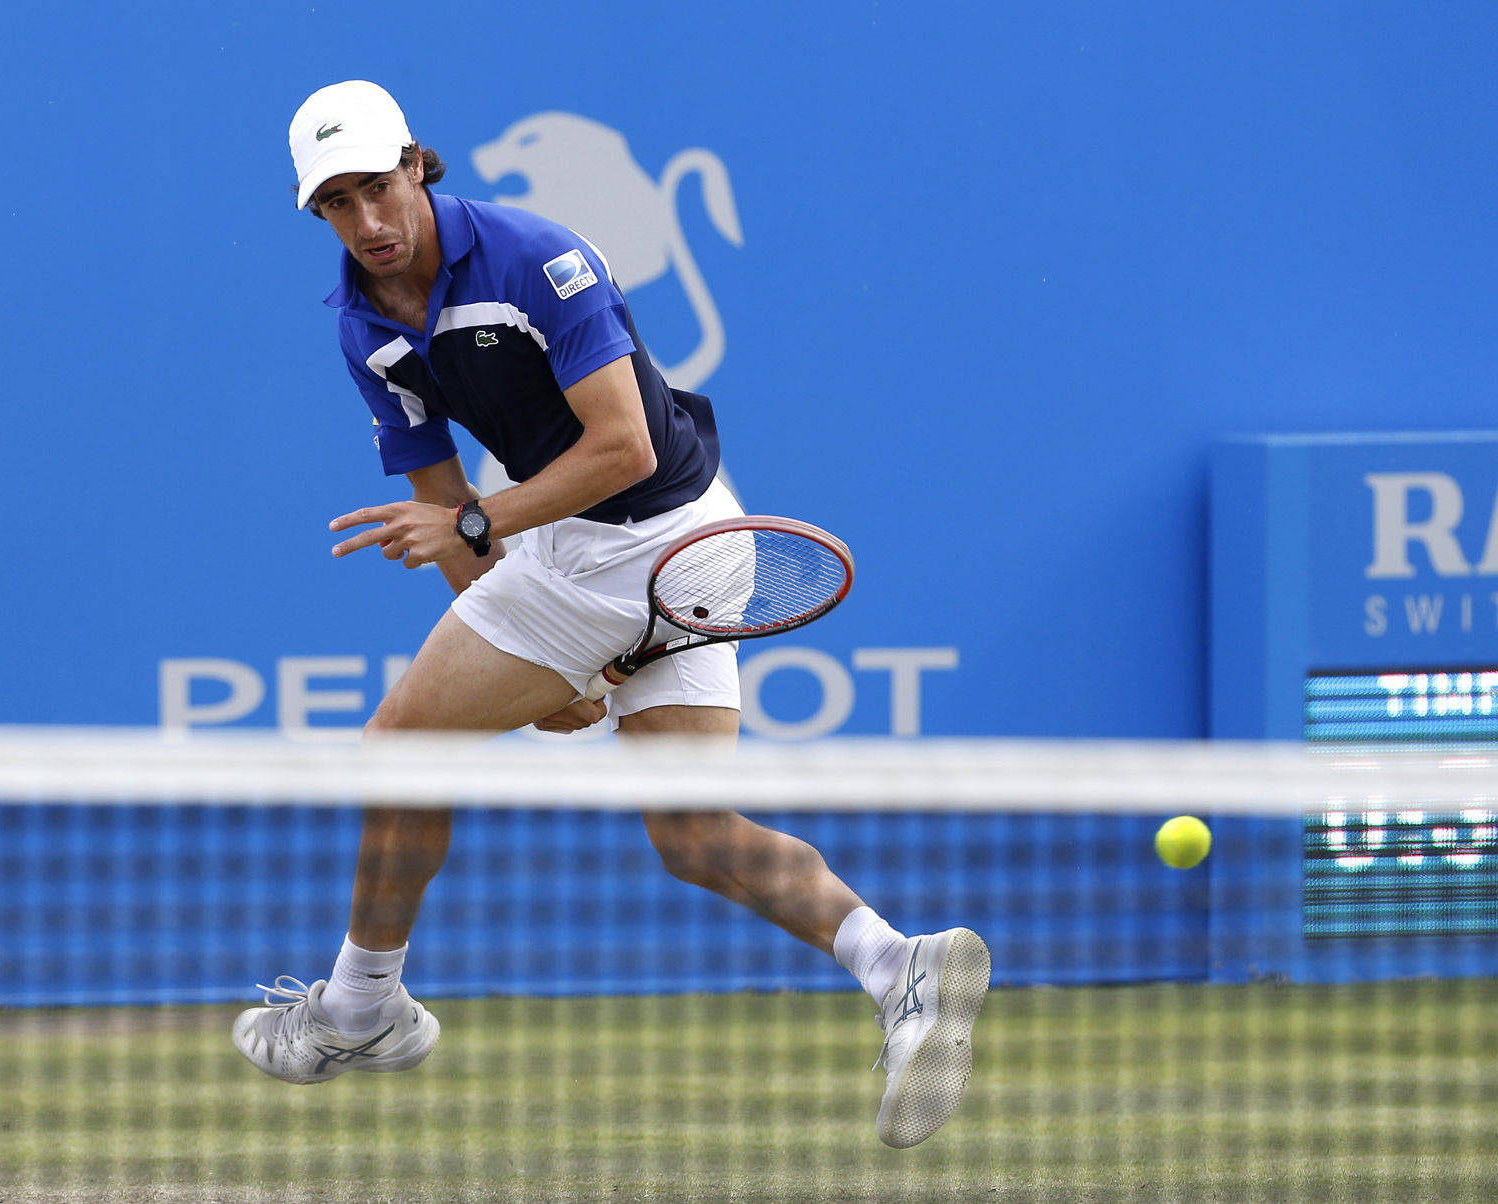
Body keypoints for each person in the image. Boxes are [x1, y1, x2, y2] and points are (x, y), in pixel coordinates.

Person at [231, 80, 988, 1149]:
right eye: (338, 204)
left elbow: (620, 448)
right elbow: (446, 508)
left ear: (416, 164)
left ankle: (361, 1011)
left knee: (397, 749)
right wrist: (531, 651)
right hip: (634, 552)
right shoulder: (363, 325)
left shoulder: (538, 260)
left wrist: (486, 538)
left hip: (650, 537)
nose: (368, 222)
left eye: (378, 188)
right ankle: (896, 963)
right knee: (692, 834)